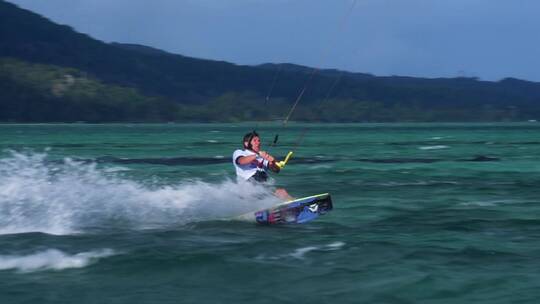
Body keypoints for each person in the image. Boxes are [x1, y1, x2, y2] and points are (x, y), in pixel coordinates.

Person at [232, 131, 291, 200]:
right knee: (280, 193)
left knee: (280, 193)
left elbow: (276, 170)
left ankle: (296, 206)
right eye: (255, 141)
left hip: (262, 190)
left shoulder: (262, 157)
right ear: (246, 143)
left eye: (259, 141)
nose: (258, 143)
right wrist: (258, 155)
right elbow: (242, 161)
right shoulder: (240, 152)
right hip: (248, 191)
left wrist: (272, 162)